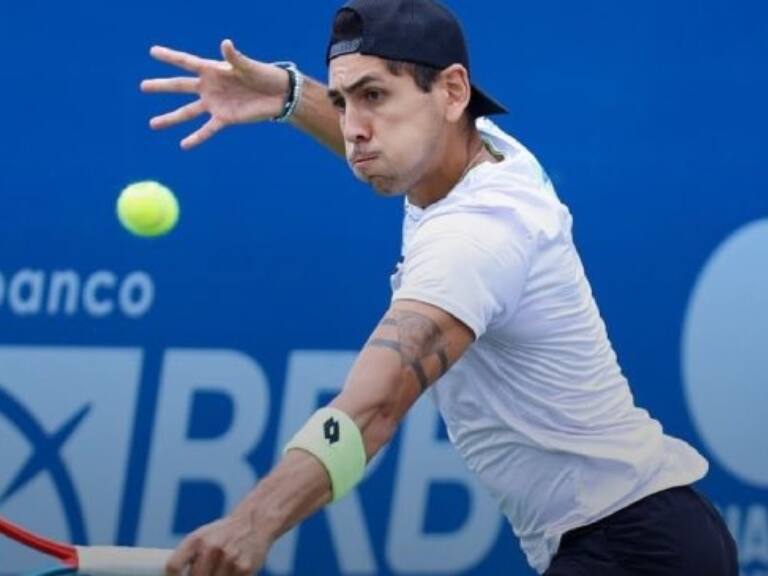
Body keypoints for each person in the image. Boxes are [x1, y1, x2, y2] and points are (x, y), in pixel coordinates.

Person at [142, 1, 739, 574]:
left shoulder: (475, 238)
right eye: (344, 101)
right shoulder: (477, 155)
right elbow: (383, 142)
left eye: (373, 96)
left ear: (453, 92)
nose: (354, 130)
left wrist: (252, 523)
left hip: (638, 549)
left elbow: (373, 407)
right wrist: (293, 97)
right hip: (644, 534)